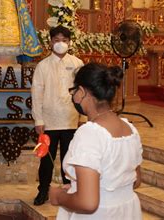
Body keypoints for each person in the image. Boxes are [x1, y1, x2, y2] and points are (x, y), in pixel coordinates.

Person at [50, 62, 143, 219]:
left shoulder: (90, 134)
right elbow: (135, 181)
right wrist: (78, 187)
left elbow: (88, 203)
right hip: (127, 211)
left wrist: (58, 196)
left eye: (74, 90)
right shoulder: (129, 129)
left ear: (81, 92)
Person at [32, 25, 84, 206]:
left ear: (69, 42)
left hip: (71, 119)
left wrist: (83, 117)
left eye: (64, 40)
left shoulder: (77, 64)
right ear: (50, 42)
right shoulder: (42, 66)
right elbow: (36, 94)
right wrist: (38, 119)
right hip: (48, 121)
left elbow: (83, 92)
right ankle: (43, 191)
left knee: (69, 159)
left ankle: (69, 190)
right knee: (46, 159)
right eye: (56, 40)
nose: (60, 43)